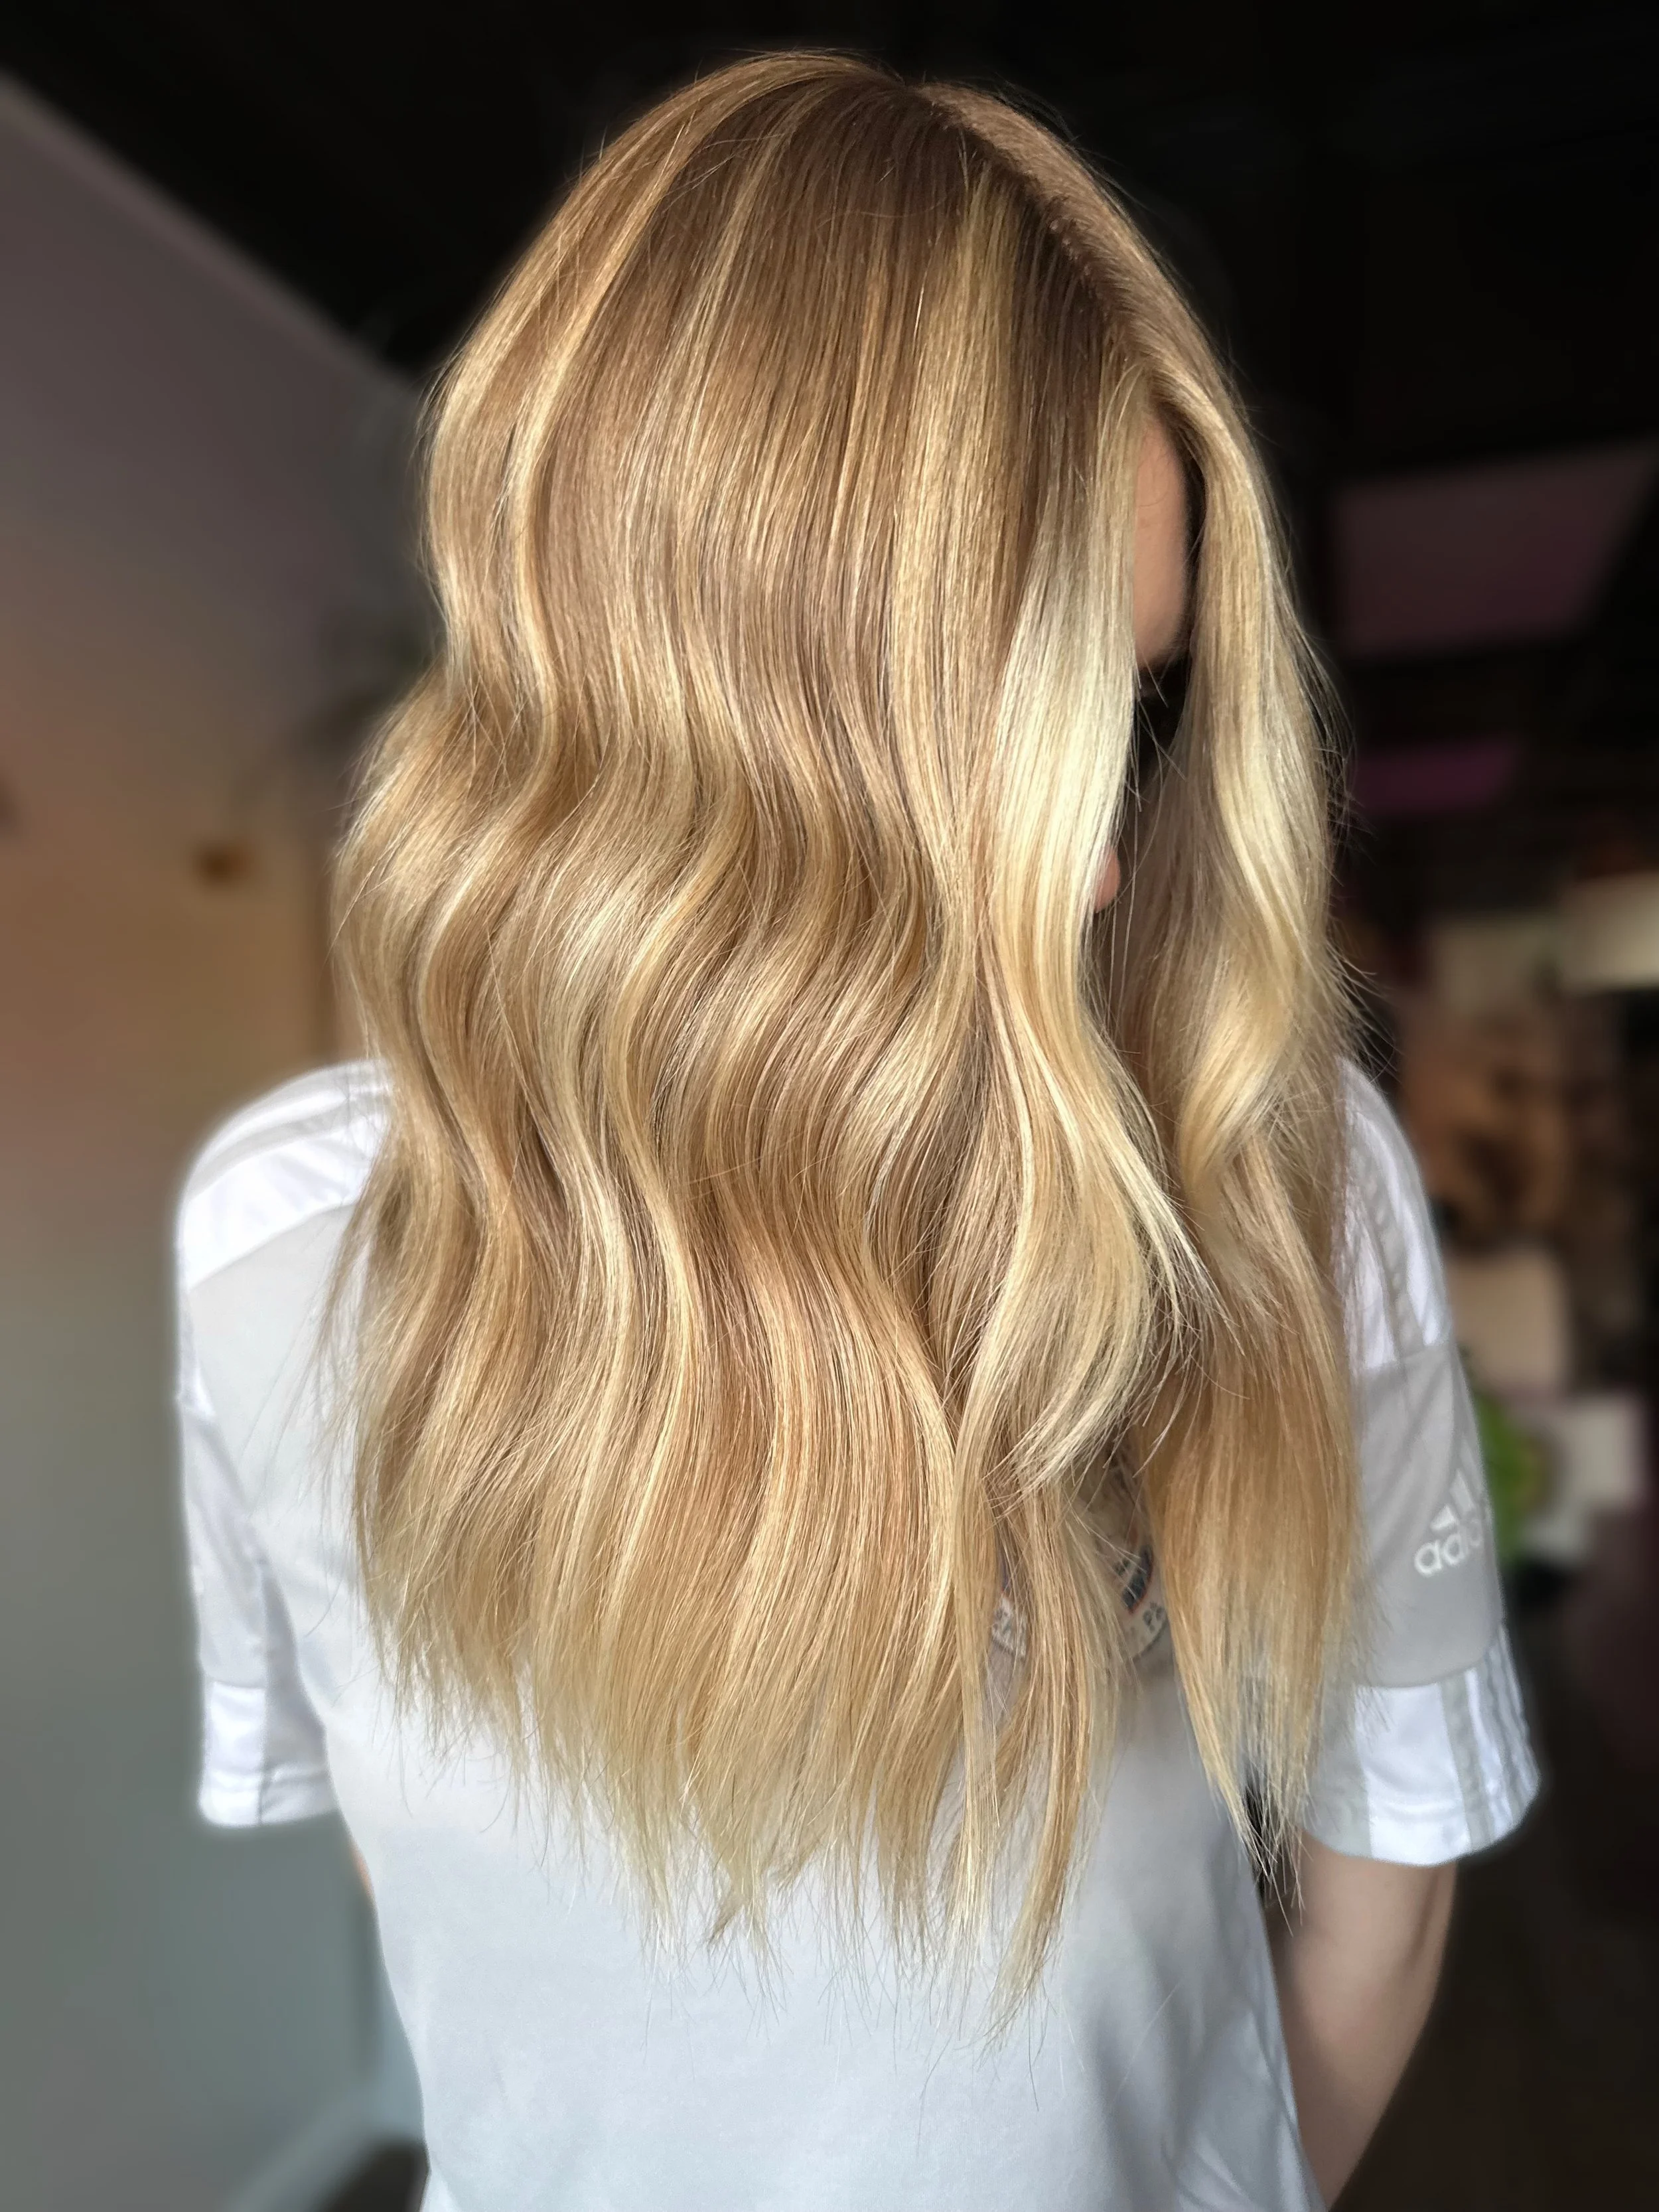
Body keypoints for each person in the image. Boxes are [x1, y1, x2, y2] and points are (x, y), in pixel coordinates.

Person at [173, 52, 1540, 2211]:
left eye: (1142, 708)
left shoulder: (1263, 1184)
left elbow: (1386, 1892)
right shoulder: (275, 1242)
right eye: (988, 735)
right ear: (666, 720)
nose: (1102, 867)